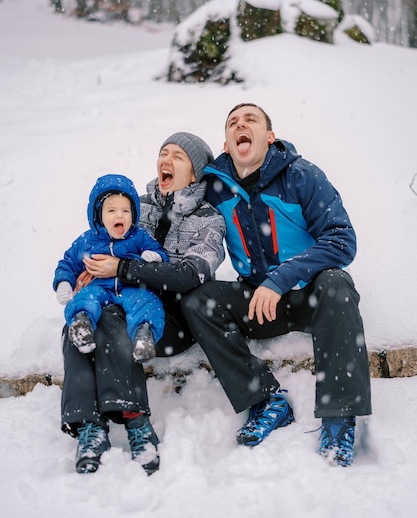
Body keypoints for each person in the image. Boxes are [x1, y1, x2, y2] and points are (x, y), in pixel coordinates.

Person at [181, 103, 372, 467]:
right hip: (259, 303)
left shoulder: (301, 175)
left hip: (309, 295)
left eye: (250, 120)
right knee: (198, 300)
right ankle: (267, 400)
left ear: (270, 137)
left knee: (337, 283)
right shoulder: (215, 189)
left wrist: (280, 278)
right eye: (233, 123)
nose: (242, 125)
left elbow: (341, 239)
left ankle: (339, 418)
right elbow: (178, 213)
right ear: (226, 144)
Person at [59, 133, 225, 475]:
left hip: (171, 318)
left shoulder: (209, 218)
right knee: (78, 322)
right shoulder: (138, 203)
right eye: (163, 152)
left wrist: (122, 269)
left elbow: (191, 274)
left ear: (195, 173)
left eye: (178, 156)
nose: (167, 159)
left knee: (111, 323)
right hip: (120, 301)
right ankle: (89, 428)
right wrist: (87, 271)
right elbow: (102, 237)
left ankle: (135, 421)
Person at [53, 173, 169, 362]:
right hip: (98, 286)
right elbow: (67, 263)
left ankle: (144, 336)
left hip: (131, 286)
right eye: (111, 211)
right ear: (98, 215)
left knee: (147, 301)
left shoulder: (139, 237)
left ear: (134, 213)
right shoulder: (87, 240)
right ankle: (82, 324)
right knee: (85, 298)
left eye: (125, 210)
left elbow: (159, 253)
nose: (119, 215)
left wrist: (154, 256)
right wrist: (64, 283)